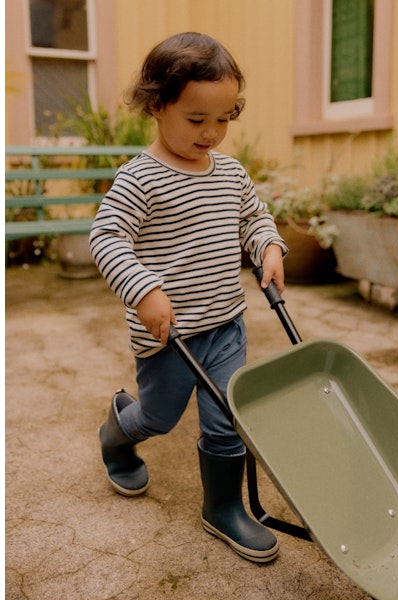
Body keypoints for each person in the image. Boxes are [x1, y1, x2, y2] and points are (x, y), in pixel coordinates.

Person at [89, 32, 287, 563]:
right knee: (158, 418)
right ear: (157, 105)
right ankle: (118, 429)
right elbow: (106, 238)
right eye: (196, 120)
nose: (212, 133)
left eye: (223, 119)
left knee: (227, 414)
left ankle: (222, 508)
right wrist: (144, 289)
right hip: (169, 335)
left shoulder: (230, 172)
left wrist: (267, 245)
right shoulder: (140, 179)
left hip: (225, 324)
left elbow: (253, 217)